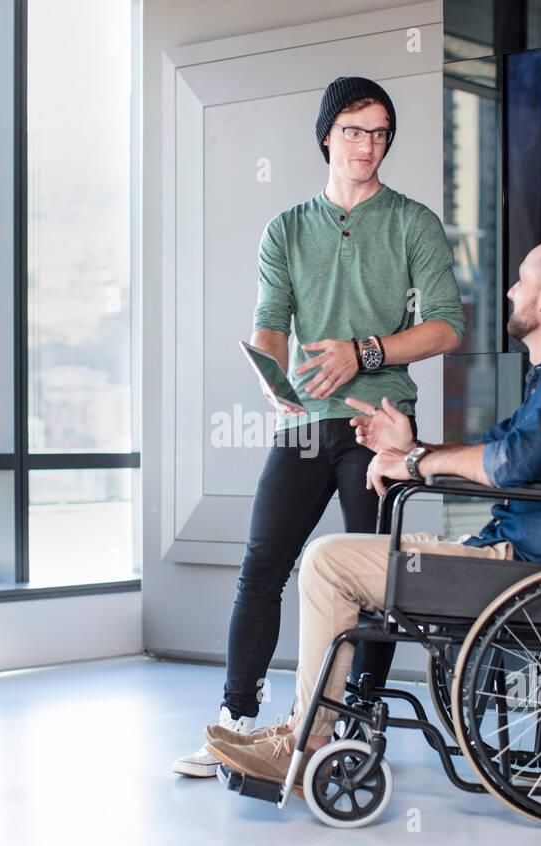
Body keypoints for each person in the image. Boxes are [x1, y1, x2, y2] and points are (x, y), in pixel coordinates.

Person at [202, 239, 541, 782]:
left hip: (522, 572)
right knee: (329, 558)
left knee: (327, 563)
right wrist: (414, 449)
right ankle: (304, 731)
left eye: (520, 282)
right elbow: (498, 459)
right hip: (506, 558)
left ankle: (305, 740)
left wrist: (413, 461)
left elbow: (506, 463)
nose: (510, 291)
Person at [173, 77, 466, 776]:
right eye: (355, 130)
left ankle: (357, 722)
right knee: (261, 567)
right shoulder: (288, 228)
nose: (369, 145)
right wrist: (273, 379)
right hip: (308, 425)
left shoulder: (413, 222)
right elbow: (271, 325)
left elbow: (447, 328)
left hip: (381, 424)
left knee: (376, 579)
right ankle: (237, 721)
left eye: (381, 132)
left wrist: (362, 351)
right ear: (327, 136)